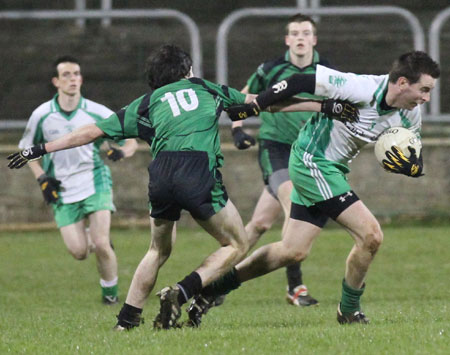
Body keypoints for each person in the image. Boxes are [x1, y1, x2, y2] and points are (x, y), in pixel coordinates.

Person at [7, 45, 357, 330]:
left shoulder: (146, 102)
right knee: (235, 242)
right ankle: (182, 291)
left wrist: (39, 149)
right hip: (196, 171)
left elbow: (92, 131)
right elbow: (261, 103)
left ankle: (126, 321)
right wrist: (323, 105)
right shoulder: (205, 88)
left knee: (157, 250)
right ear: (186, 70)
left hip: (160, 175)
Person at [187, 50, 440, 326]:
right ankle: (349, 310)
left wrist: (411, 166)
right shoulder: (362, 88)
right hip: (312, 161)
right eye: (424, 89)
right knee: (371, 235)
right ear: (402, 83)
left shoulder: (409, 117)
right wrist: (254, 105)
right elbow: (298, 81)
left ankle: (212, 290)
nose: (426, 98)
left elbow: (410, 151)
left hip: (332, 169)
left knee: (292, 250)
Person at [17, 55, 138, 304]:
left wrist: (121, 151)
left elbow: (131, 139)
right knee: (79, 252)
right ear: (56, 82)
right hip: (62, 187)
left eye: (77, 74)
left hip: (94, 180)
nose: (73, 79)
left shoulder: (96, 111)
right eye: (67, 75)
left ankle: (111, 297)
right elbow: (27, 151)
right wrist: (42, 179)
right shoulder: (41, 115)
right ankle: (93, 238)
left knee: (102, 244)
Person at [230, 13, 331, 308]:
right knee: (294, 204)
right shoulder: (270, 69)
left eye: (306, 33)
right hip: (275, 149)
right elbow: (244, 97)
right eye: (295, 33)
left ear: (314, 39)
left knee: (260, 223)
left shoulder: (326, 72)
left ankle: (218, 274)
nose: (300, 37)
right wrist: (238, 129)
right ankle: (295, 286)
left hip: (308, 152)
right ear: (287, 40)